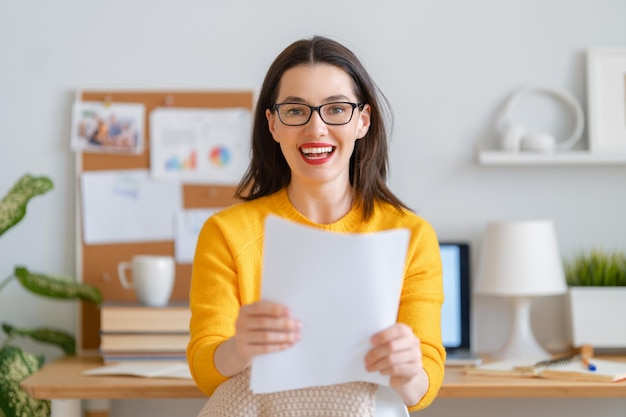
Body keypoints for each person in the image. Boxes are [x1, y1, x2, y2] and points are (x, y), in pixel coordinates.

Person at [187, 35, 446, 416]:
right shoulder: (227, 233)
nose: (316, 129)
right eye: (296, 111)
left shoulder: (410, 236)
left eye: (336, 109)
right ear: (273, 124)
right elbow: (205, 370)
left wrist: (407, 369)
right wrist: (240, 347)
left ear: (363, 120)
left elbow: (423, 384)